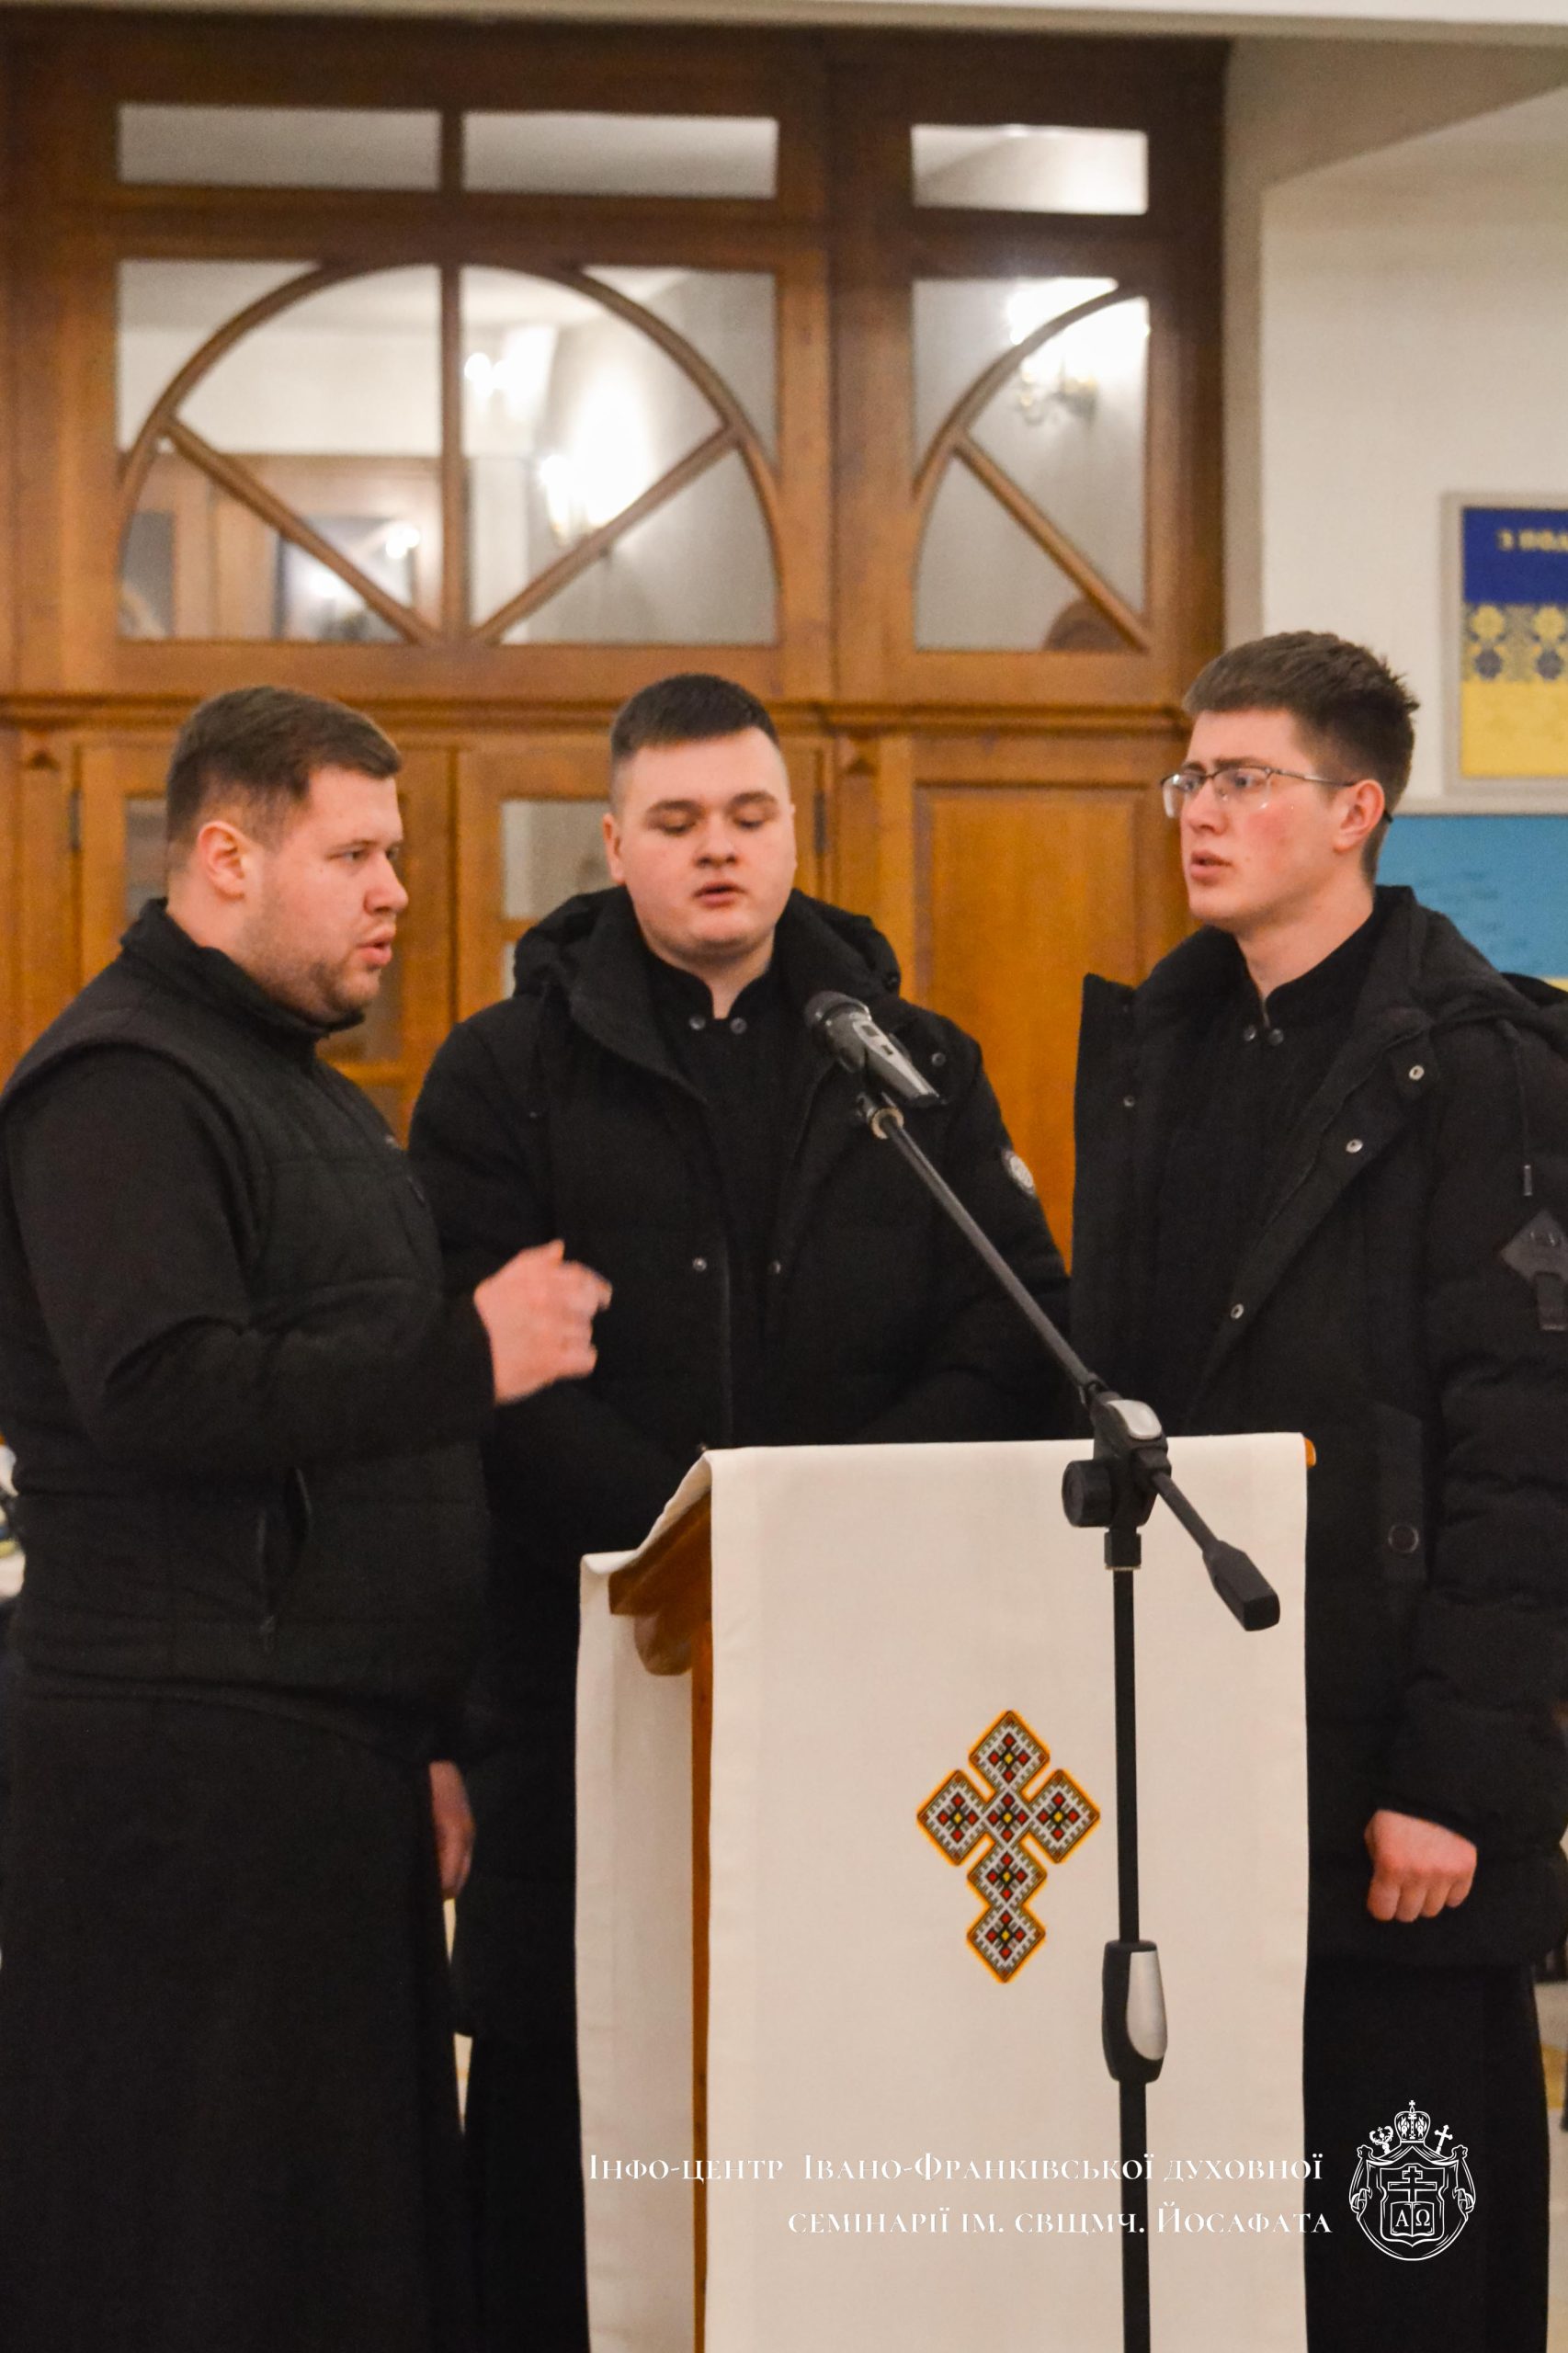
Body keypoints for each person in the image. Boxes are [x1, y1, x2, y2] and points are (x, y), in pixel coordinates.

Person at [410, 669, 1072, 2350]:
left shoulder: (911, 1060)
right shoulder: (502, 1073)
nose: (719, 848)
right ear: (614, 844)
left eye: (750, 816)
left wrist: (819, 1536)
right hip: (585, 1669)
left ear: (795, 834)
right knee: (574, 2106)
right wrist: (703, 1549)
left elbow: (1009, 1333)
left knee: (837, 2075)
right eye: (680, 820)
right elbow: (483, 1376)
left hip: (861, 1669)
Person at [0, 686, 609, 2353]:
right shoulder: (120, 1086)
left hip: (320, 1754)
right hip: (186, 1778)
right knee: (206, 2257)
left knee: (334, 2248)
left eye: (392, 854)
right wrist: (467, 1354)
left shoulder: (300, 1091)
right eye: (353, 855)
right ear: (225, 857)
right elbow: (164, 1388)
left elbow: (358, 1451)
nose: (394, 891)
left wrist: (429, 1731)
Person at [1070, 631, 1568, 2350]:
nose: (1196, 813)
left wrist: (1454, 1781)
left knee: (1400, 2252)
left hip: (1394, 1789)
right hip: (1199, 1754)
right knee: (1229, 2267)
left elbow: (1524, 1447)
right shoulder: (1162, 1045)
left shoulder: (1483, 1064)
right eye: (1187, 777)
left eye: (1242, 779)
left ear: (1354, 811)